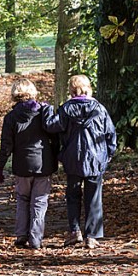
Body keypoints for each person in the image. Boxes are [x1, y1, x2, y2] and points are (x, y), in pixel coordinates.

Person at [45, 74, 117, 249]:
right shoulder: (99, 108)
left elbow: (52, 126)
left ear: (71, 90)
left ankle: (75, 231)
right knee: (94, 197)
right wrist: (108, 154)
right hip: (96, 158)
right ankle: (92, 236)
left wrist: (48, 112)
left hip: (73, 157)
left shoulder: (66, 109)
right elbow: (110, 133)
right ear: (88, 88)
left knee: (73, 196)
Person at [0, 79, 58, 250]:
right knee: (39, 202)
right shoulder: (44, 113)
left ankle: (21, 233)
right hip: (43, 164)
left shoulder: (11, 117)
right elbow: (55, 137)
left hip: (22, 166)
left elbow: (6, 145)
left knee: (22, 199)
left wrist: (0, 166)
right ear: (33, 92)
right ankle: (36, 238)